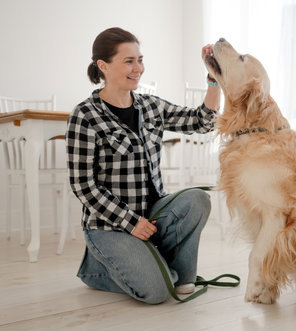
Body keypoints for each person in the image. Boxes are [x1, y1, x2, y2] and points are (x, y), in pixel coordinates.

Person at [66, 27, 220, 304]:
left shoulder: (151, 106)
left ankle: (177, 275)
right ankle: (97, 269)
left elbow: (201, 121)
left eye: (140, 59)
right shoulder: (85, 115)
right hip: (109, 226)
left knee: (198, 199)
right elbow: (83, 186)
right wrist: (130, 222)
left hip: (151, 217)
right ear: (103, 66)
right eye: (129, 61)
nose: (138, 68)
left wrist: (213, 79)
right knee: (158, 293)